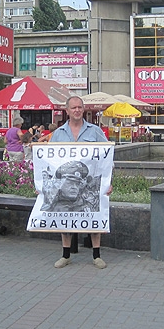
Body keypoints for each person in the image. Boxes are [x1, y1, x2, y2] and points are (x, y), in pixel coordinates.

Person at [49, 96, 112, 269]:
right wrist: (43, 185)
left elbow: (107, 158)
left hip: (90, 183)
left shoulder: (95, 131)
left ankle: (96, 255)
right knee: (65, 218)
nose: (77, 110)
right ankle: (66, 255)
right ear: (67, 111)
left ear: (83, 109)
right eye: (73, 107)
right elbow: (50, 161)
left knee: (93, 216)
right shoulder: (58, 134)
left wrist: (108, 181)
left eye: (79, 107)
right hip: (66, 185)